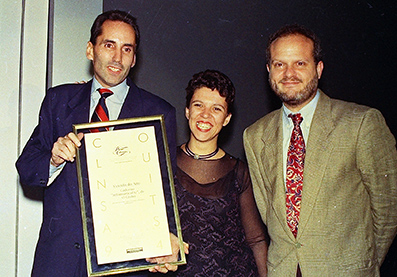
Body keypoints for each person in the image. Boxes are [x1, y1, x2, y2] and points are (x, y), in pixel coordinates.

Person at [16, 10, 179, 276]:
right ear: (90, 50)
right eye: (109, 45)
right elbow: (26, 169)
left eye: (127, 49)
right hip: (60, 259)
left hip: (124, 264)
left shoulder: (159, 113)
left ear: (135, 58)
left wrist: (167, 238)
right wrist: (54, 158)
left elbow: (166, 190)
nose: (117, 58)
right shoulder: (58, 100)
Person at [243, 24, 397, 276]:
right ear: (269, 70)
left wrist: (363, 261)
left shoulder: (361, 123)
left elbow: (392, 203)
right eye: (279, 64)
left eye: (300, 63)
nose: (289, 73)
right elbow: (269, 212)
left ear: (318, 69)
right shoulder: (254, 135)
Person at [172, 69, 268, 276]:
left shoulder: (239, 171)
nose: (205, 115)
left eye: (216, 108)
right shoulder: (163, 160)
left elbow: (256, 239)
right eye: (198, 105)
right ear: (187, 111)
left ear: (226, 118)